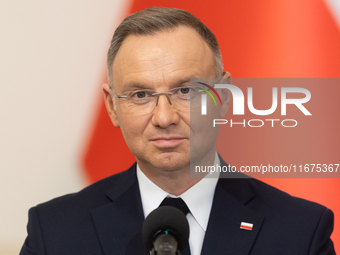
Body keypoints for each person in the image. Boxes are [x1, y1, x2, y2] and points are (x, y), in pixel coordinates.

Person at [20, 7, 335, 255]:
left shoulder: (300, 231)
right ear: (113, 107)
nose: (164, 117)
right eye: (140, 95)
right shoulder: (55, 232)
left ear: (223, 98)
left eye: (186, 91)